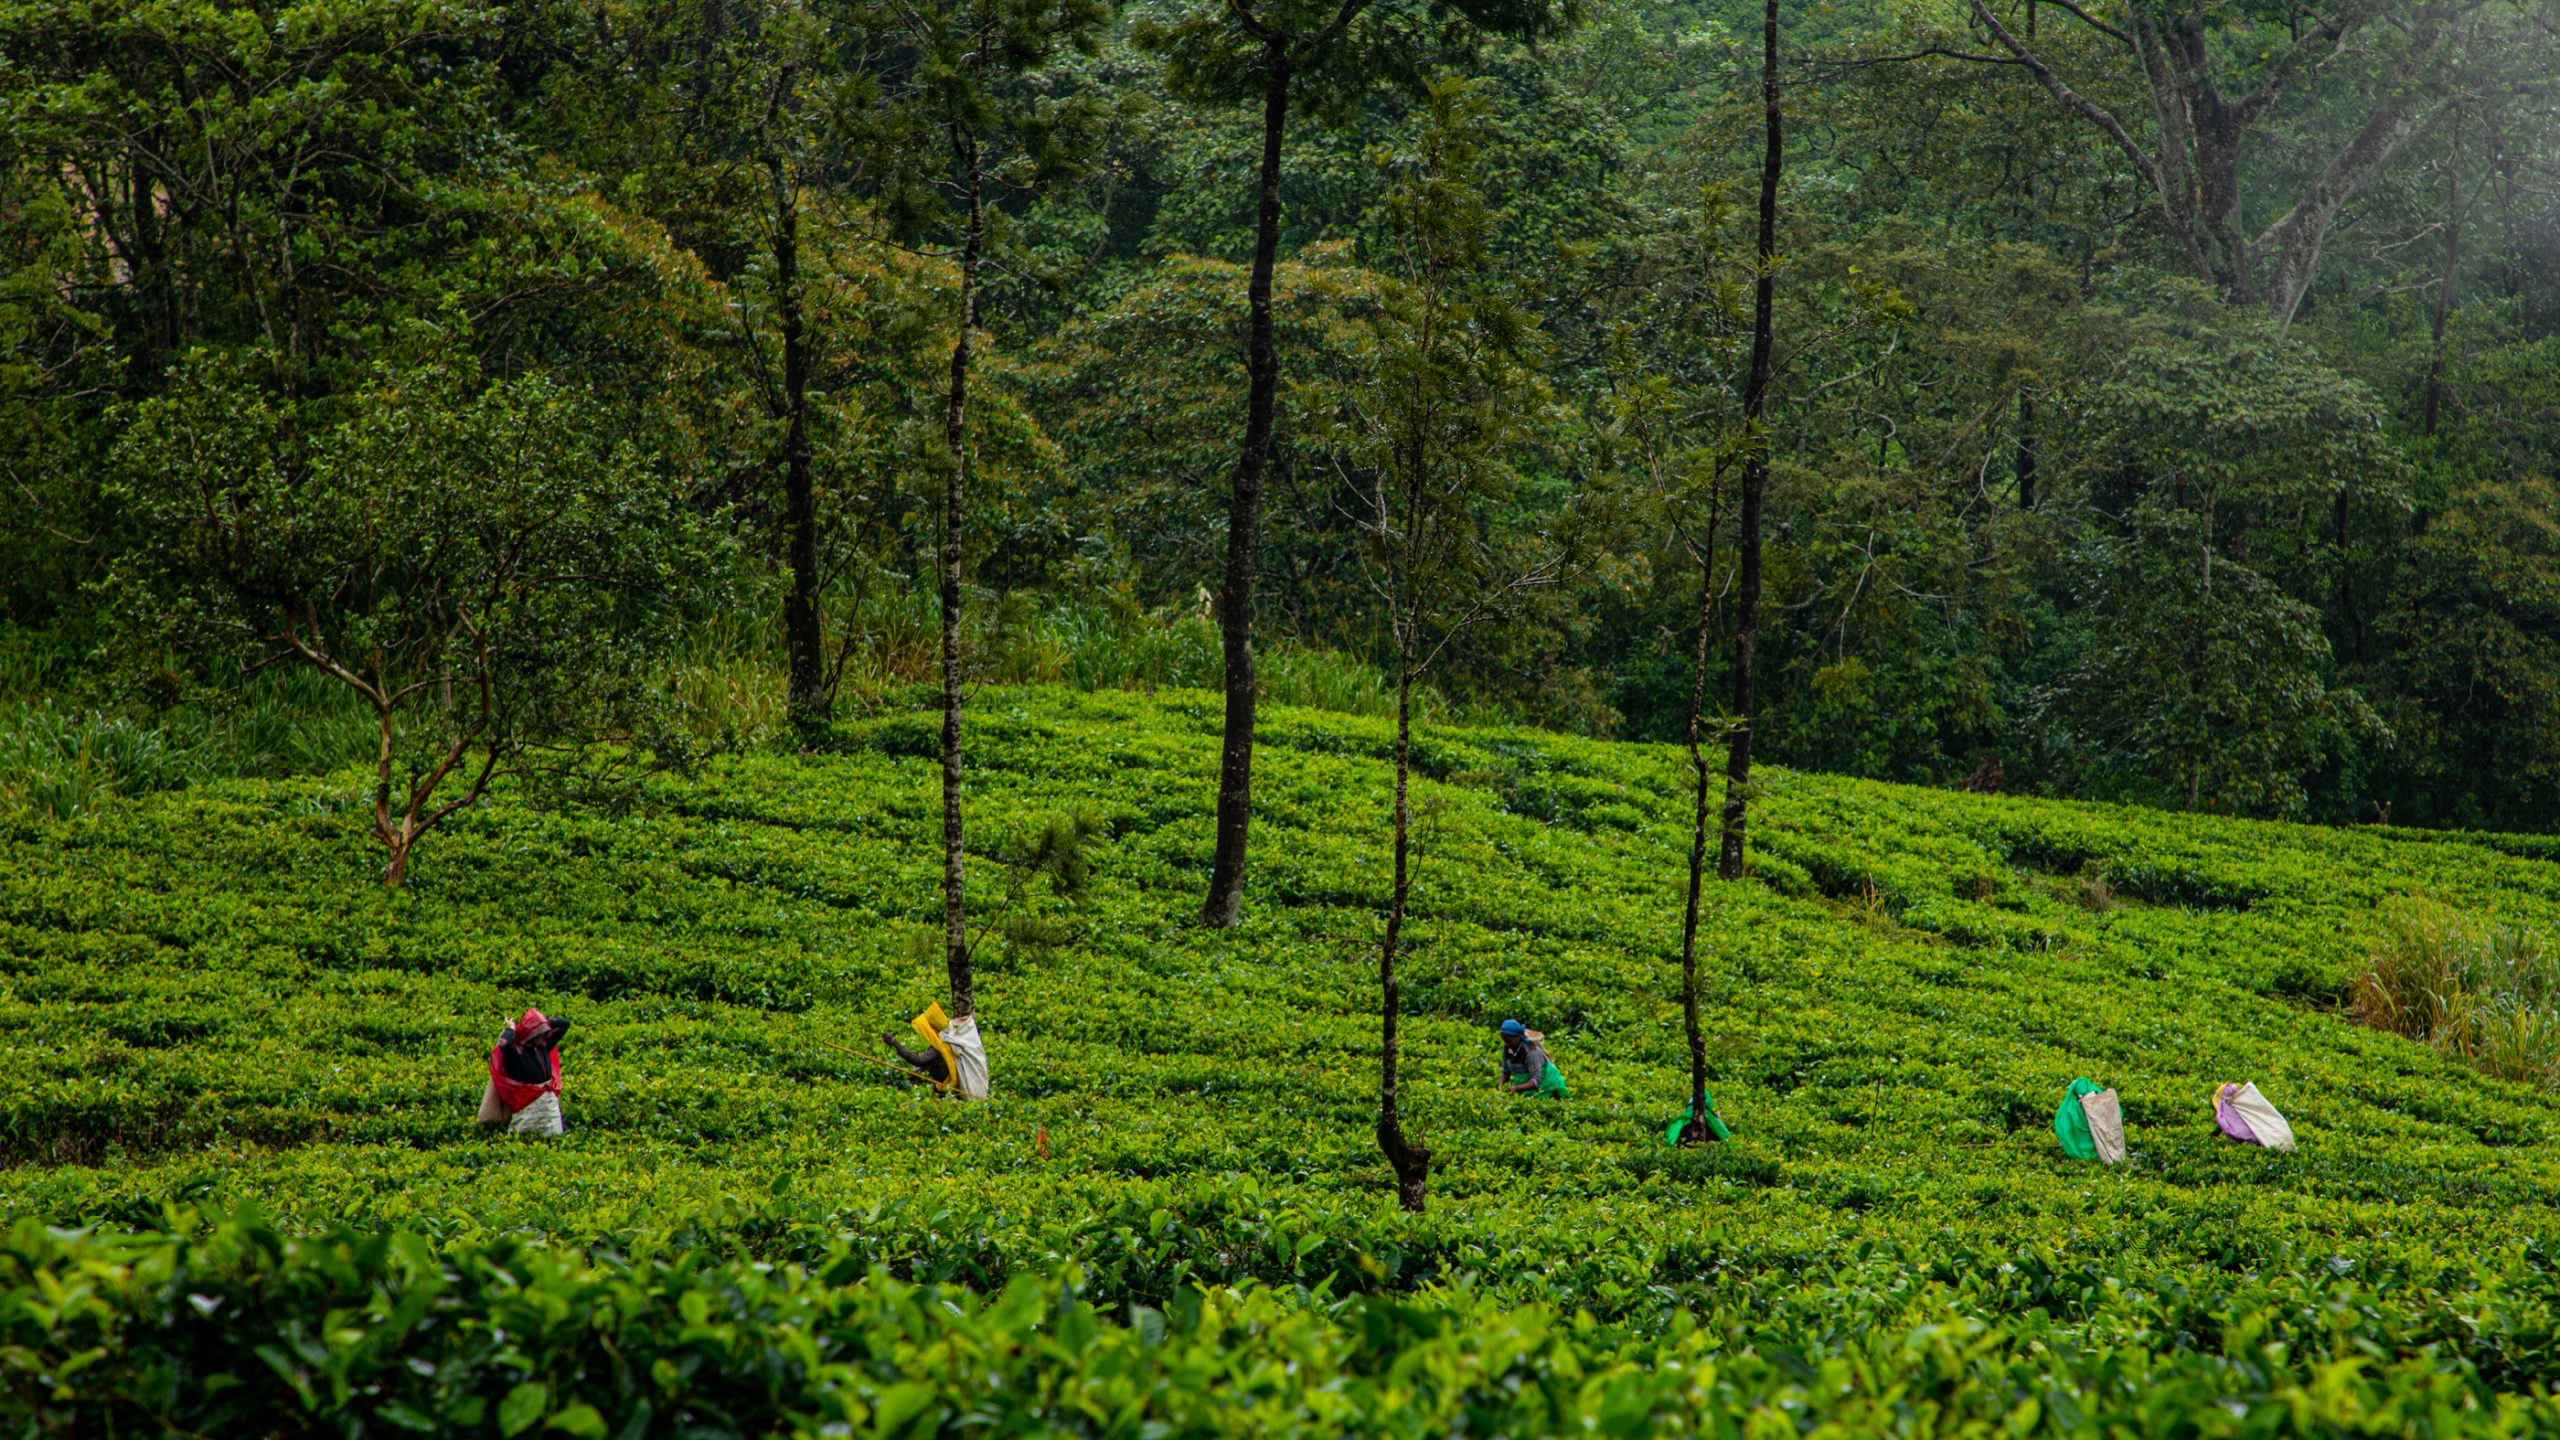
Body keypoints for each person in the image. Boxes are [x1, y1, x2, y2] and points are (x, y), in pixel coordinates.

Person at [479, 1008, 570, 1136]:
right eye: (537, 1035)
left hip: (547, 1100)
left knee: (553, 1133)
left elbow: (564, 1024)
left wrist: (539, 1021)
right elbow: (504, 1044)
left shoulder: (543, 1047)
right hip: (526, 1102)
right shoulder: (516, 1052)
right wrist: (511, 1028)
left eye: (542, 1034)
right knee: (525, 1134)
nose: (541, 1039)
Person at [883, 1002, 990, 1099]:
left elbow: (918, 1060)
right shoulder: (950, 1040)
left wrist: (894, 1042)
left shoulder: (941, 1047)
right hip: (947, 1087)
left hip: (947, 1090)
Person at [1498, 1019, 1569, 1099]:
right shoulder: (1507, 1047)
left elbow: (1536, 1081)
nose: (1507, 1043)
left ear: (1517, 1037)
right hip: (1521, 1087)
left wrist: (1516, 1088)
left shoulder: (1531, 1051)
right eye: (1504, 1040)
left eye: (1509, 1040)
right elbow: (1505, 1072)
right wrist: (1500, 1089)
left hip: (1543, 1087)